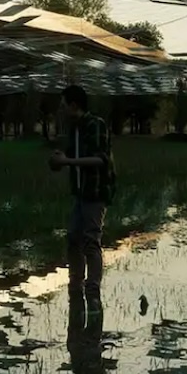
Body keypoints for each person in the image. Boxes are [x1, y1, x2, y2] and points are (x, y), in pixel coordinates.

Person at [47, 83, 113, 313]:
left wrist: (68, 162)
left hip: (95, 192)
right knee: (73, 238)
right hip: (80, 193)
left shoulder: (96, 125)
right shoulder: (74, 129)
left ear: (74, 105)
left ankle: (93, 293)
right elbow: (69, 157)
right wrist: (60, 158)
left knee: (91, 242)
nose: (61, 109)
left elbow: (100, 160)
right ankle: (75, 286)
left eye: (64, 105)